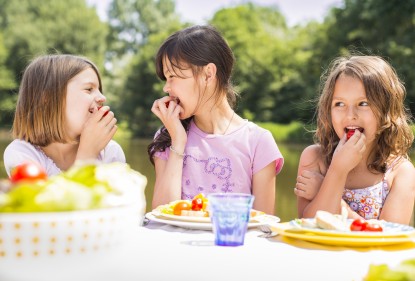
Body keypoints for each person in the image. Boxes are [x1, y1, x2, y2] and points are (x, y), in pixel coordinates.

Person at [148, 25, 284, 214]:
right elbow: (161, 215)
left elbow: (262, 226)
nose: (166, 88)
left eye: (172, 76)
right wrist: (178, 142)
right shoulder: (168, 136)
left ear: (208, 74)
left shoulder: (258, 142)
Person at [295, 55, 415, 225]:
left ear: (386, 109)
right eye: (339, 104)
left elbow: (384, 240)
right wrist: (337, 169)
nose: (350, 115)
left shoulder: (400, 173)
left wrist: (332, 195)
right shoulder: (314, 158)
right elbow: (307, 227)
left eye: (363, 103)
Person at [3, 54, 125, 177]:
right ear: (48, 98)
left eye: (99, 90)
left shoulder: (110, 152)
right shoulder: (21, 154)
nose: (102, 97)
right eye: (89, 89)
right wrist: (87, 156)